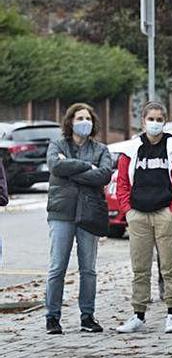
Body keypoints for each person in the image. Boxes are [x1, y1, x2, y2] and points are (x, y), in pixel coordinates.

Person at [114, 102, 172, 334]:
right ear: (143, 121)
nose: (155, 123)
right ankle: (138, 314)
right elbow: (122, 182)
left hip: (165, 214)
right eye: (151, 119)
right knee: (140, 267)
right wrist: (128, 210)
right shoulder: (132, 149)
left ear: (165, 122)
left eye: (159, 119)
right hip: (138, 215)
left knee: (169, 266)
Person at [44, 103, 113, 335]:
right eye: (79, 118)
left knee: (88, 269)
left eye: (88, 118)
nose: (85, 122)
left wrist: (71, 170)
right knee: (57, 267)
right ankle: (52, 317)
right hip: (61, 212)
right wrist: (86, 167)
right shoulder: (57, 145)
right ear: (70, 122)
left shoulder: (101, 149)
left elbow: (103, 175)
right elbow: (55, 165)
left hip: (89, 213)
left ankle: (87, 316)